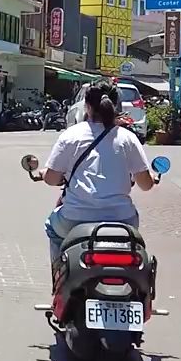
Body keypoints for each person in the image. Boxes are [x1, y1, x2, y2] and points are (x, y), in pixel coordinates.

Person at [39, 84, 159, 265]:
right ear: (116, 105)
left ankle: (59, 280)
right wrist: (151, 176)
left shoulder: (71, 135)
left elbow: (51, 179)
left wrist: (43, 172)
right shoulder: (127, 138)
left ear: (86, 106)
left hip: (74, 219)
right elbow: (145, 184)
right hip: (123, 219)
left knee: (52, 228)